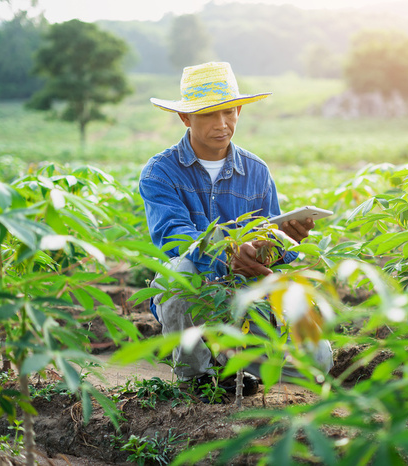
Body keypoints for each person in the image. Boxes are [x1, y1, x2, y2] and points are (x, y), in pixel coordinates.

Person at [139, 62, 333, 399]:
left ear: (239, 110)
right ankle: (195, 376)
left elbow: (271, 242)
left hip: (246, 295)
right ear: (186, 118)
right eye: (208, 115)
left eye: (228, 112)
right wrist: (228, 254)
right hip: (194, 290)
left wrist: (285, 240)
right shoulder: (161, 172)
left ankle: (230, 360)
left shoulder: (256, 171)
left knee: (319, 360)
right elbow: (176, 238)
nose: (221, 124)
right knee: (180, 273)